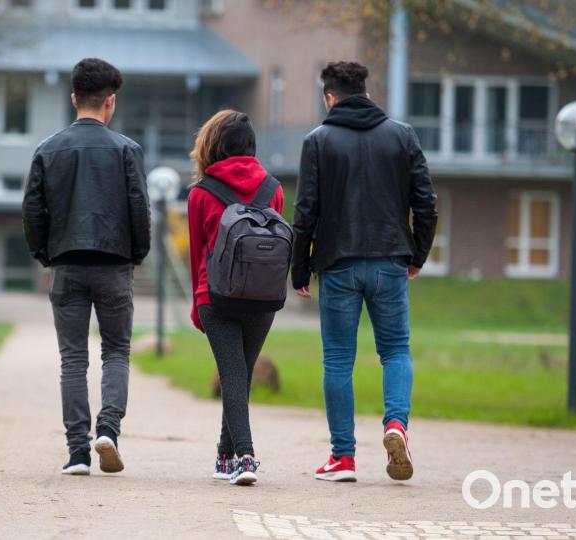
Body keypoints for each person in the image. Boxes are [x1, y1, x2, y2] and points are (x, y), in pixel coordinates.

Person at [292, 61, 437, 482]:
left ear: (329, 97)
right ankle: (396, 425)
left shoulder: (317, 141)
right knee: (395, 350)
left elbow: (306, 212)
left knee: (338, 359)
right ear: (367, 94)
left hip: (337, 265)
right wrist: (417, 256)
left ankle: (343, 458)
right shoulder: (402, 135)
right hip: (391, 262)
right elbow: (426, 203)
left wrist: (299, 269)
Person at [22, 58, 151, 476]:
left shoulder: (48, 149)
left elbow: (32, 210)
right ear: (109, 102)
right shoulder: (127, 151)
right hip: (114, 265)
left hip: (67, 265)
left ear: (74, 98)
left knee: (72, 359)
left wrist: (45, 253)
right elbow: (139, 210)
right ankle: (108, 430)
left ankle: (77, 452)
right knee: (116, 352)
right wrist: (137, 253)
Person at [187, 110, 285, 486]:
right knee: (238, 375)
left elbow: (199, 255)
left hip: (218, 296)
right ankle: (223, 456)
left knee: (233, 375)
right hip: (263, 298)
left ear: (212, 145)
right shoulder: (273, 188)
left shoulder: (200, 193)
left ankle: (244, 456)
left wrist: (199, 307)